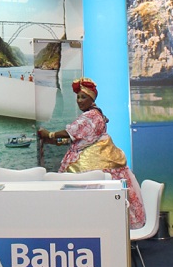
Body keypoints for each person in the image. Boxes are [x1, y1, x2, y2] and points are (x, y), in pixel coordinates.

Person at [38, 77, 145, 228]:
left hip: (91, 163)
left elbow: (72, 131)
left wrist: (49, 134)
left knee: (82, 198)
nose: (79, 101)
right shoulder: (97, 113)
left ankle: (83, 225)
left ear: (91, 99)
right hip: (103, 158)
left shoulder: (90, 116)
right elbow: (84, 138)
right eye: (78, 97)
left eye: (83, 97)